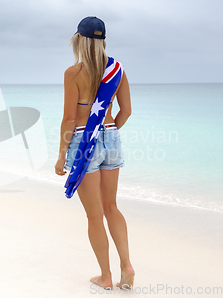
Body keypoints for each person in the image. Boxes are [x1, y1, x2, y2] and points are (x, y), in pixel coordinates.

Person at [54, 16, 134, 290]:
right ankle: (127, 265)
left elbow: (68, 118)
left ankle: (106, 276)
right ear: (102, 42)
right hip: (111, 136)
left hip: (82, 142)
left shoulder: (73, 73)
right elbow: (126, 112)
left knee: (94, 214)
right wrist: (109, 130)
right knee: (112, 206)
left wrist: (61, 154)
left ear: (79, 39)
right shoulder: (117, 69)